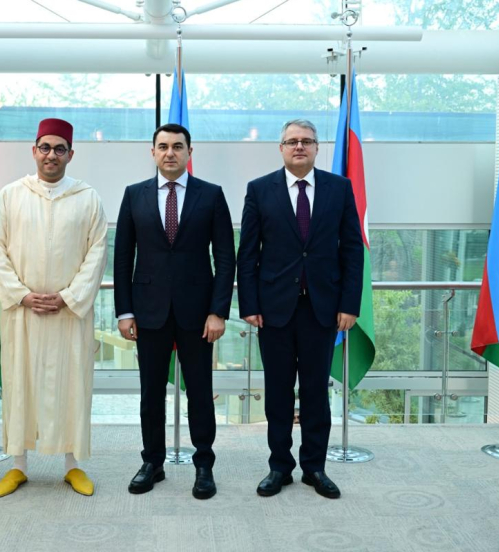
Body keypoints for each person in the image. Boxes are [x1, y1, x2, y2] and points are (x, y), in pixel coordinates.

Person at [237, 118, 363, 500]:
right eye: (292, 141)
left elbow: (352, 250)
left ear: (316, 148)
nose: (299, 147)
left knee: (315, 393)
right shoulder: (260, 190)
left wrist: (350, 304)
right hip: (273, 310)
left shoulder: (339, 189)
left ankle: (314, 468)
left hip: (322, 310)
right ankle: (279, 467)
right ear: (281, 148)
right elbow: (248, 253)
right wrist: (249, 304)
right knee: (277, 393)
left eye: (306, 141)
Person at [0, 117, 108, 498]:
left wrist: (69, 297)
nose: (51, 155)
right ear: (34, 151)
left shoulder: (87, 198)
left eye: (59, 149)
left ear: (71, 154)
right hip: (22, 314)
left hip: (69, 315)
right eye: (45, 147)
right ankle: (17, 465)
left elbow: (97, 253)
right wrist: (22, 294)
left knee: (72, 387)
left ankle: (73, 466)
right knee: (19, 386)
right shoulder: (10, 196)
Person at [114, 123, 235, 500]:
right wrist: (124, 312)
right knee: (151, 394)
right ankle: (152, 462)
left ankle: (204, 465)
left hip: (198, 315)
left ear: (189, 152)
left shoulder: (211, 195)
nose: (170, 153)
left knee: (200, 392)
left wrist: (218, 312)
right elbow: (122, 258)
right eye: (163, 146)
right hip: (148, 312)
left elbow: (225, 258)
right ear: (152, 152)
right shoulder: (134, 195)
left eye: (177, 147)